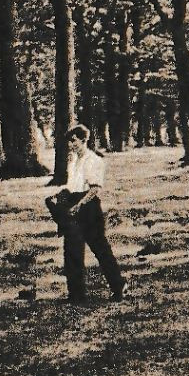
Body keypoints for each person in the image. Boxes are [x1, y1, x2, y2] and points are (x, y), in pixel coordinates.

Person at [45, 125, 125, 304]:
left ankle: (118, 286)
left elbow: (94, 189)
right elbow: (73, 186)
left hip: (89, 209)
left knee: (100, 249)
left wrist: (79, 206)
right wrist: (60, 196)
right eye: (70, 142)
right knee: (72, 250)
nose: (72, 145)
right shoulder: (73, 161)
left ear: (83, 140)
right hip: (74, 203)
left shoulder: (94, 160)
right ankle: (76, 295)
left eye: (74, 141)